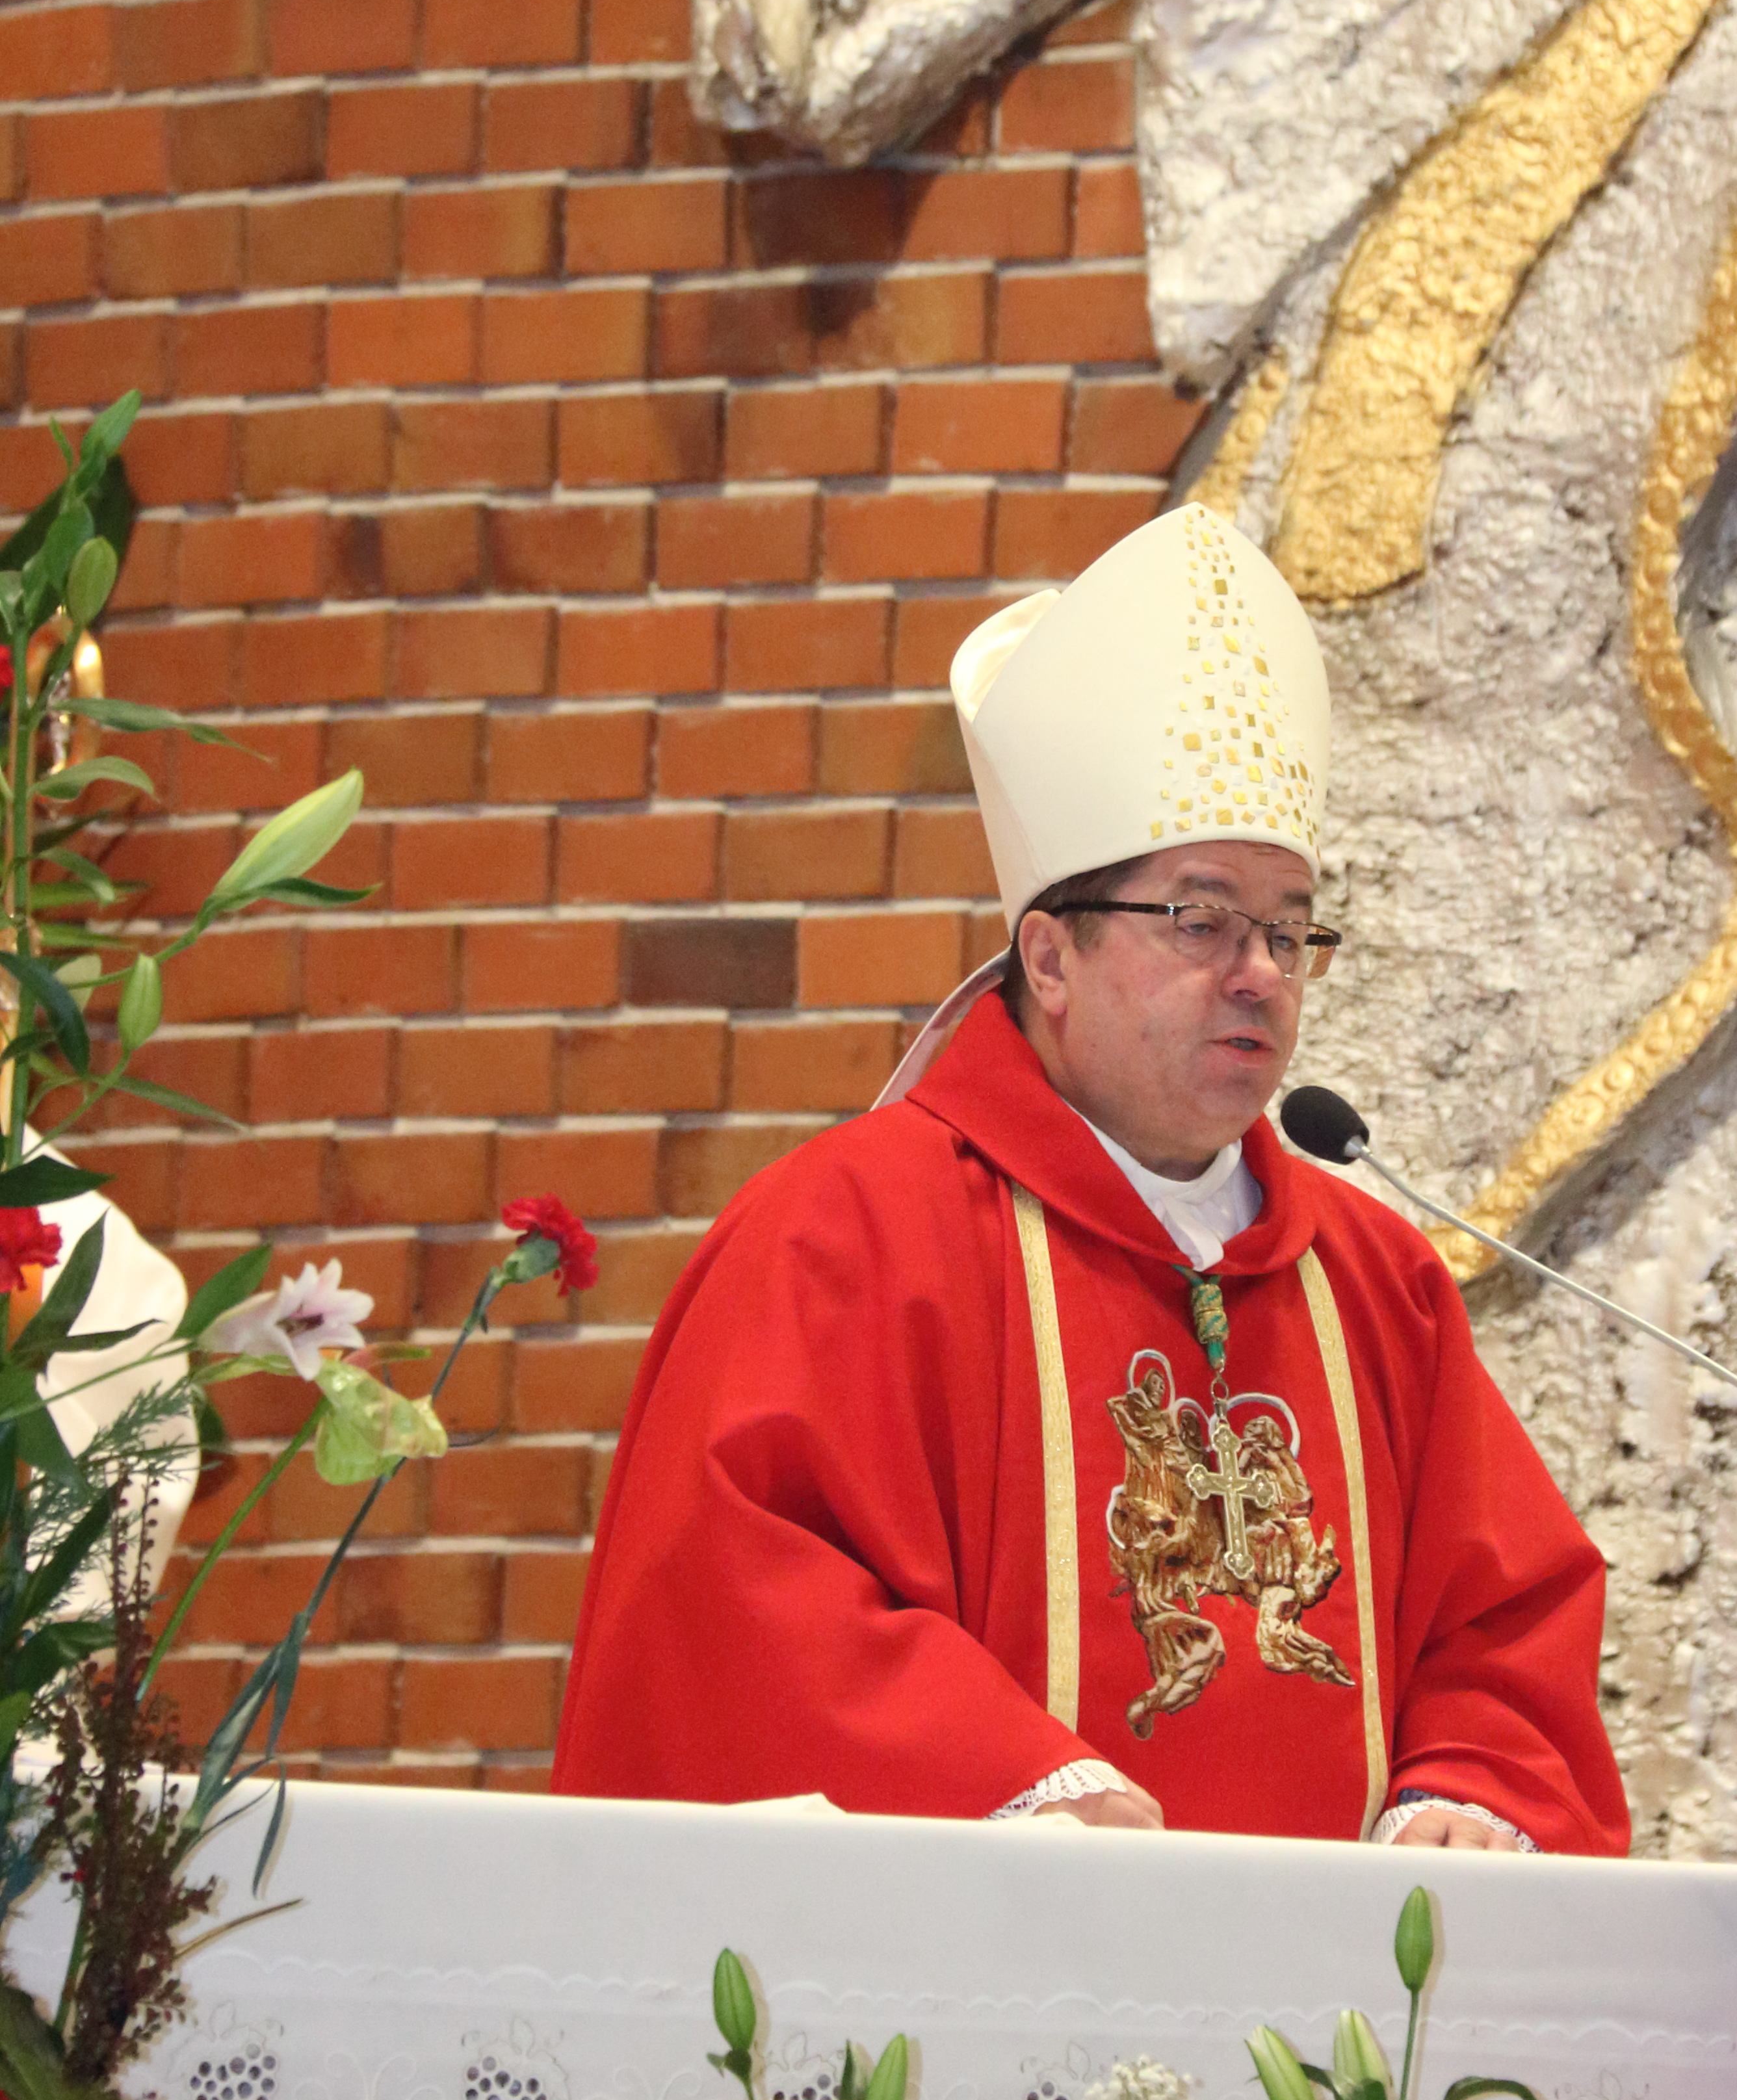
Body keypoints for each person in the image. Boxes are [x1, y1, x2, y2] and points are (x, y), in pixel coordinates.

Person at [553, 502, 1627, 1854]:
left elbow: (1505, 1625)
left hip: (1339, 1986)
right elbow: (736, 1601)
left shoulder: (1374, 1283)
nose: (1260, 973)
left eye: (1290, 931)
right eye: (1202, 918)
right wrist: (1010, 1780)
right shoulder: (848, 1236)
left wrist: (1468, 1786)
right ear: (1050, 957)